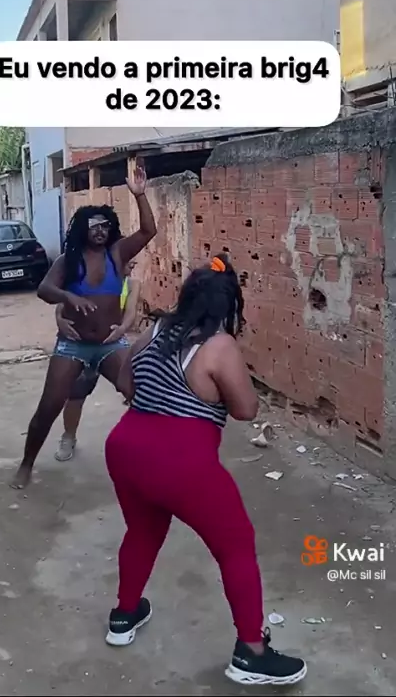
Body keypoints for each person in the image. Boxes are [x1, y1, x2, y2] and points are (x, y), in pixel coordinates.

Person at [104, 254, 307, 687]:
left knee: (142, 531)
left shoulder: (155, 330)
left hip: (125, 448)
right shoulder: (219, 345)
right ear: (228, 304)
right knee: (236, 545)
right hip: (181, 463)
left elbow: (124, 381)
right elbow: (246, 410)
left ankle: (124, 615)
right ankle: (252, 652)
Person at [11, 166, 156, 489]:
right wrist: (68, 297)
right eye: (94, 227)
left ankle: (152, 460)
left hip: (110, 344)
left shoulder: (117, 254)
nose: (100, 231)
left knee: (141, 395)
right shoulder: (68, 260)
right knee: (49, 406)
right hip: (73, 345)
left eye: (105, 226)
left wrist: (140, 195)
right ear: (82, 230)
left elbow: (148, 231)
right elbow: (44, 290)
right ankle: (26, 464)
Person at [54, 261, 141, 461]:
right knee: (76, 393)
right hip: (80, 342)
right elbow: (61, 304)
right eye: (127, 261)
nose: (131, 266)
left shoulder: (131, 284)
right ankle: (69, 437)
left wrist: (122, 329)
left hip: (112, 342)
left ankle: (140, 437)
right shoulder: (89, 277)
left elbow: (130, 312)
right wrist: (60, 320)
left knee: (134, 387)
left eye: (133, 262)